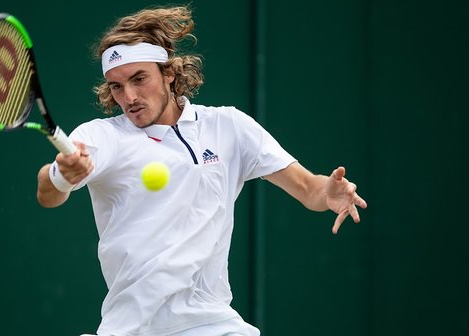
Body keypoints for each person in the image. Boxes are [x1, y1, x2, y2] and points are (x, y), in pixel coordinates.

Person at [36, 5, 367, 336]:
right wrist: (62, 175)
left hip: (212, 324)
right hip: (132, 328)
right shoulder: (102, 136)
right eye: (117, 86)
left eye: (139, 79)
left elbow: (308, 189)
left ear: (169, 72)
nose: (130, 97)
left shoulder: (228, 127)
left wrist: (327, 192)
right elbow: (48, 193)